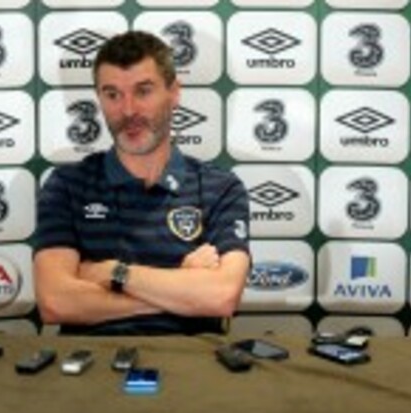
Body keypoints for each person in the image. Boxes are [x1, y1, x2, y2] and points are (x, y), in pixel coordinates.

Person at [33, 30, 250, 335]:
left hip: (192, 362)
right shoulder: (67, 185)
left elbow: (222, 296)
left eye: (143, 91)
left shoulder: (220, 188)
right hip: (91, 361)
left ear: (174, 93)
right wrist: (183, 284)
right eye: (112, 95)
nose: (128, 110)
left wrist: (113, 273)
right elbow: (56, 302)